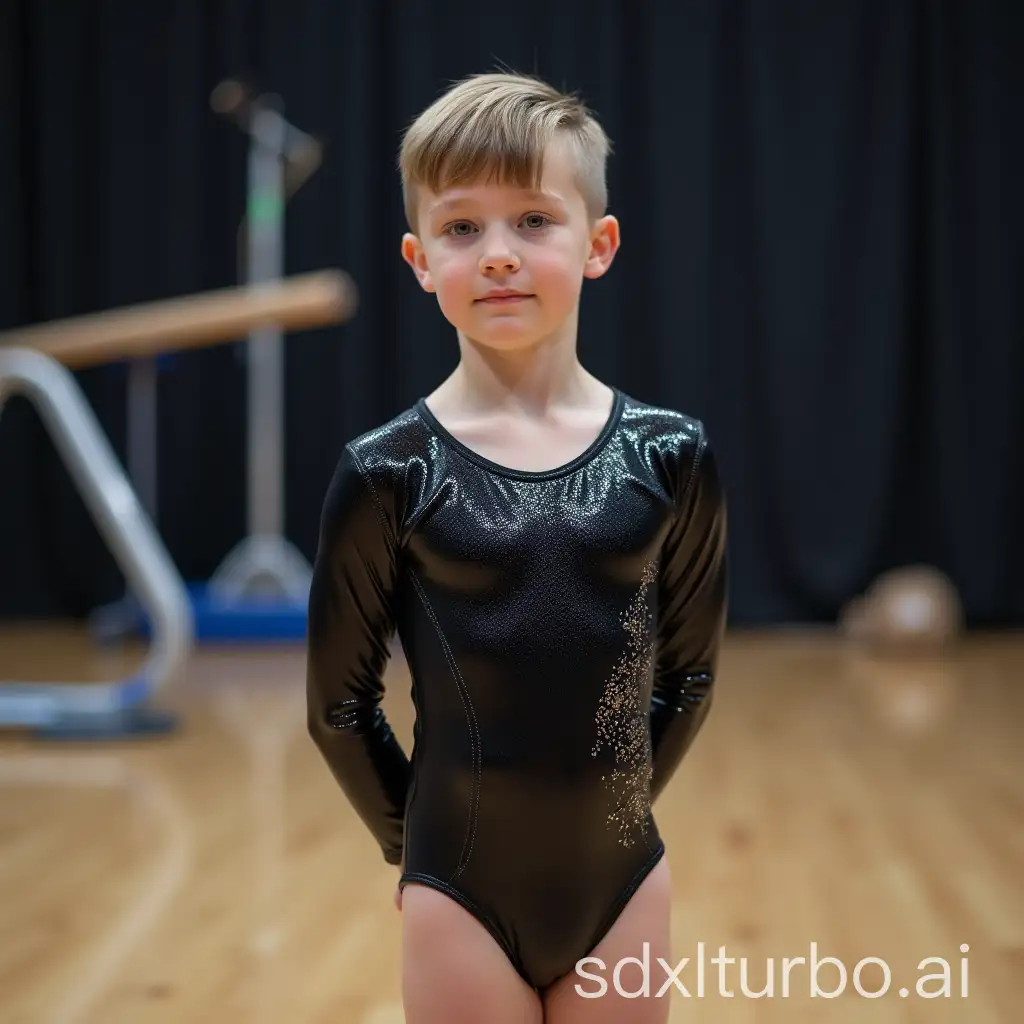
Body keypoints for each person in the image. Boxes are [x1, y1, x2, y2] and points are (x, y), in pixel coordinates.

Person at [306, 70, 728, 1024]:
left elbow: (690, 681)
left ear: (599, 243)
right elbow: (337, 706)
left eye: (534, 220)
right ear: (420, 260)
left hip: (621, 887)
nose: (497, 254)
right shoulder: (388, 471)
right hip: (458, 892)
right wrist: (418, 854)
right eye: (462, 229)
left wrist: (607, 816)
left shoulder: (671, 455)